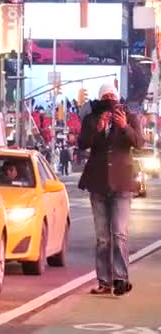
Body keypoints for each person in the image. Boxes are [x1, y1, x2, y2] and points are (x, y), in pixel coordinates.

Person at [78, 83, 144, 296]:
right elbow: (82, 144)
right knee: (103, 238)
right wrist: (98, 128)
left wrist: (124, 126)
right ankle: (104, 281)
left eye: (112, 96)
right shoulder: (91, 119)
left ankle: (121, 278)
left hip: (122, 184)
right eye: (104, 96)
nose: (109, 100)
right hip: (98, 183)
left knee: (119, 234)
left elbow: (139, 143)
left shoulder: (130, 117)